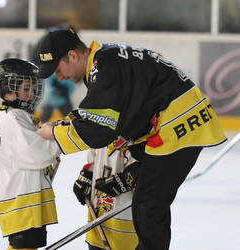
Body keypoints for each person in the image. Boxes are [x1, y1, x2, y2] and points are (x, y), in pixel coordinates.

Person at [36, 29, 227, 250]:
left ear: (72, 55)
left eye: (58, 69)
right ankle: (140, 173)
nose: (59, 77)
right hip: (173, 123)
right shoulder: (104, 61)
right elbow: (105, 115)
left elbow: (99, 129)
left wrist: (55, 132)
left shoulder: (105, 66)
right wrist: (64, 126)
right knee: (147, 195)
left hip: (179, 127)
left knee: (149, 205)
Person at [0, 58, 61, 250]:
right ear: (8, 88)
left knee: (27, 245)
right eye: (26, 88)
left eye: (33, 88)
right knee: (24, 246)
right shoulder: (13, 118)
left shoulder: (15, 115)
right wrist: (60, 138)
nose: (31, 94)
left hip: (22, 195)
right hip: (20, 198)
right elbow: (37, 153)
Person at [73, 143, 140, 250]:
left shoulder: (138, 131)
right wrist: (87, 175)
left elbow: (150, 167)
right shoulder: (100, 132)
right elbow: (93, 155)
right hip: (98, 219)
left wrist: (127, 178)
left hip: (126, 221)